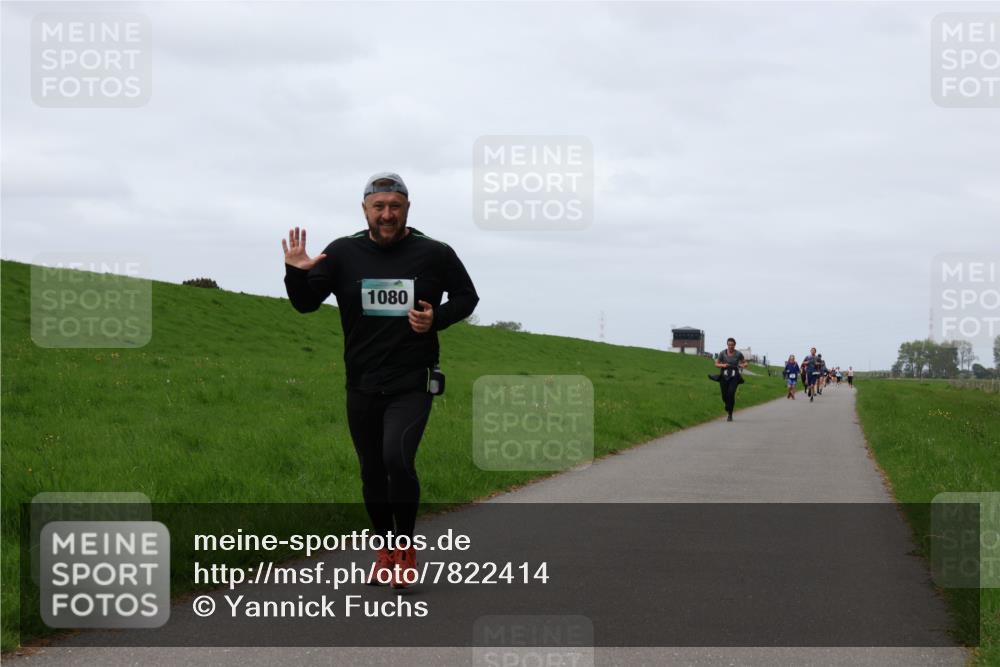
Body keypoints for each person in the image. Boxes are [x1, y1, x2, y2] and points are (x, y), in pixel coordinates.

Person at [282, 172, 479, 589]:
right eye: (379, 206)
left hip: (413, 380)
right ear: (365, 210)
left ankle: (405, 551)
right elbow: (304, 304)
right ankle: (384, 550)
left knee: (396, 460)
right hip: (362, 383)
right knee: (371, 472)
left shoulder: (435, 253)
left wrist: (435, 319)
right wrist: (296, 272)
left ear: (407, 208)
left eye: (395, 206)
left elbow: (467, 297)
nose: (387, 214)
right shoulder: (341, 254)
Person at [714, 337, 748, 421]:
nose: (730, 346)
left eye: (732, 345)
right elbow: (716, 364)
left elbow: (745, 363)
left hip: (734, 377)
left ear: (734, 345)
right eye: (729, 345)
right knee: (724, 395)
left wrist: (742, 365)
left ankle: (730, 414)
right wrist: (723, 365)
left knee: (731, 393)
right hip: (724, 376)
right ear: (727, 345)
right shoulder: (722, 353)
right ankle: (727, 405)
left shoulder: (738, 354)